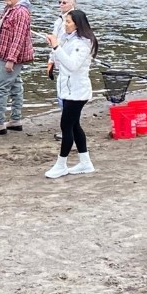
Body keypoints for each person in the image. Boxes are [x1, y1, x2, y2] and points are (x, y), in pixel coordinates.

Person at [43, 10, 97, 179]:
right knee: (74, 126)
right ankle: (85, 162)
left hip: (77, 92)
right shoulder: (69, 38)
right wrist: (54, 51)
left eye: (68, 22)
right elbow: (61, 61)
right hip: (67, 89)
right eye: (65, 21)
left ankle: (61, 164)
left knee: (66, 126)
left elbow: (72, 65)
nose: (65, 25)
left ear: (77, 24)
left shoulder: (83, 43)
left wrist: (56, 47)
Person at [0, 0, 34, 133]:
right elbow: (8, 29)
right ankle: (15, 119)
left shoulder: (21, 12)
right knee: (15, 86)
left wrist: (11, 59)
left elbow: (19, 37)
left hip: (10, 56)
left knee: (0, 88)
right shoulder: (10, 9)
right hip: (3, 52)